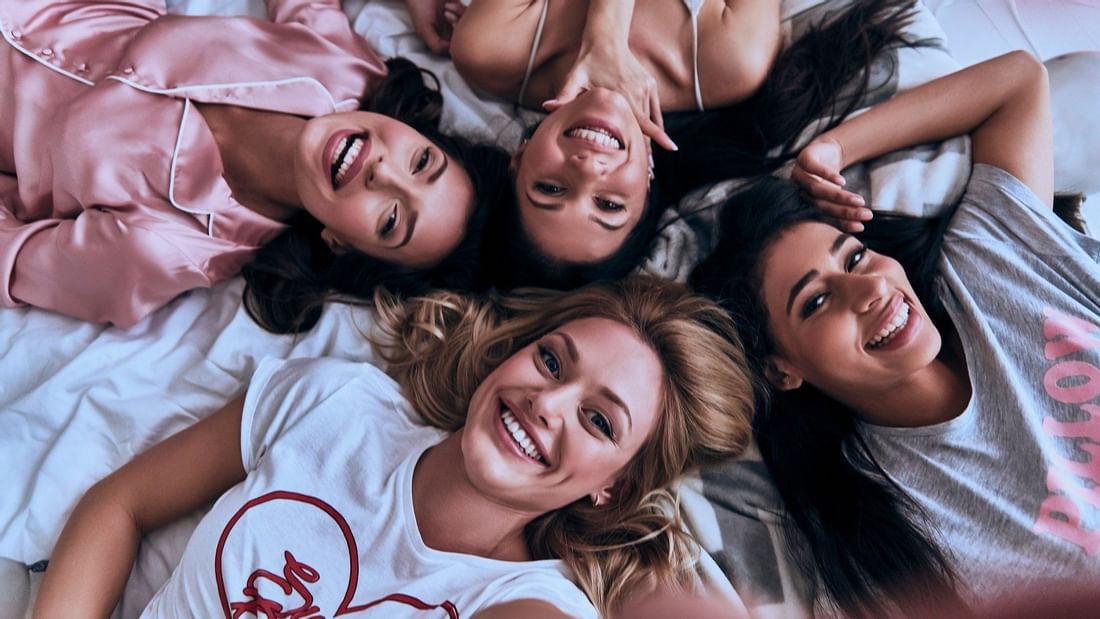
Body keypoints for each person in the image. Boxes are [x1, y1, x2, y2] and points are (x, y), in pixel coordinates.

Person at [33, 276, 758, 617]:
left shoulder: (525, 603)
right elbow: (121, 504)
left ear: (615, 489)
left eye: (600, 421)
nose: (549, 402)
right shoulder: (336, 403)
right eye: (551, 361)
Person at [691, 50, 1100, 616]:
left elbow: (1019, 82)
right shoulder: (879, 528)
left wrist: (833, 151)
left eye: (855, 259)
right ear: (782, 369)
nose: (870, 292)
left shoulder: (987, 268)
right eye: (816, 301)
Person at [0, 0, 510, 331]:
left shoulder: (168, 248)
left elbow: (13, 257)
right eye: (422, 161)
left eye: (392, 220)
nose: (384, 173)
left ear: (340, 244)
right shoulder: (348, 70)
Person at [449, 0, 922, 289]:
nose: (588, 169)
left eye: (550, 189)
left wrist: (606, 40)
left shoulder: (489, 50)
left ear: (517, 160)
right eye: (609, 203)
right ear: (649, 177)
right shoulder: (728, 64)